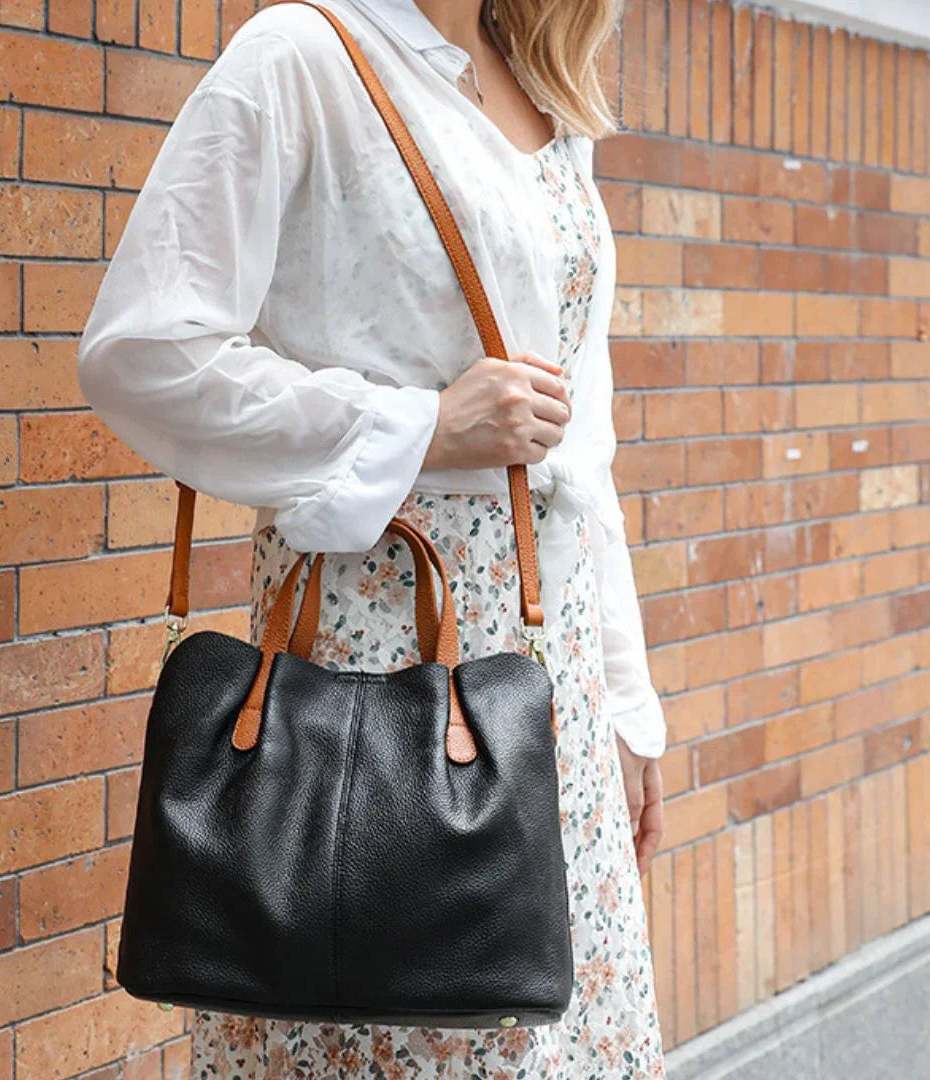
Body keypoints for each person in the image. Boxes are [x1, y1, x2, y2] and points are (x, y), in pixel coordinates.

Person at [77, 0, 668, 1074]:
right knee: (392, 1022)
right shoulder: (304, 55)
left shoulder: (543, 84)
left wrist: (622, 700)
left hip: (547, 675)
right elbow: (143, 352)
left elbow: (582, 450)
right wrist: (421, 427)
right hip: (369, 668)